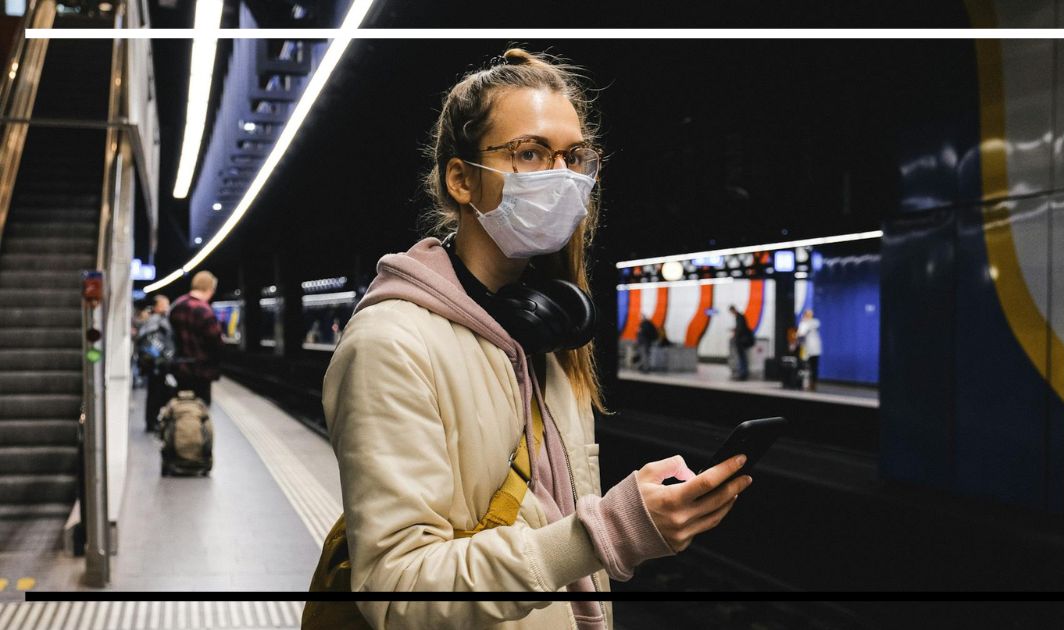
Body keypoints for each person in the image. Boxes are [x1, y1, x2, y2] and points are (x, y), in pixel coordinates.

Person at [311, 49, 752, 629]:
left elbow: (556, 534)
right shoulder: (392, 346)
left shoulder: (550, 333)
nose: (562, 175)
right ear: (461, 179)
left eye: (574, 156)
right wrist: (607, 530)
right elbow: (400, 592)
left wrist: (637, 525)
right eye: (530, 153)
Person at [168, 271, 222, 405]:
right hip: (201, 372)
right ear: (209, 288)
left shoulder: (176, 305)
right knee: (200, 410)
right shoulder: (205, 310)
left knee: (180, 407)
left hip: (178, 369)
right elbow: (216, 343)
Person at [136, 295, 175, 431]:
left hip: (154, 364)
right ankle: (153, 423)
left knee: (154, 394)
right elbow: (158, 343)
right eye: (165, 304)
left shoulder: (151, 321)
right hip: (157, 365)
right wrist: (164, 359)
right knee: (157, 394)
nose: (167, 307)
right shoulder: (157, 322)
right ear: (157, 306)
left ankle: (151, 422)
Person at [797, 308, 823, 390]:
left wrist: (803, 322)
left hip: (810, 349)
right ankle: (809, 383)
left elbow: (800, 334)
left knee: (810, 367)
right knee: (811, 367)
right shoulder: (811, 323)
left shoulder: (809, 323)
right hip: (809, 349)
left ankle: (811, 384)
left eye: (810, 314)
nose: (809, 316)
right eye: (808, 314)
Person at [728, 305, 753, 380]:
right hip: (741, 340)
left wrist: (735, 333)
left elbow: (740, 329)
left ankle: (743, 373)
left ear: (733, 310)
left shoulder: (739, 317)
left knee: (742, 357)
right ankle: (742, 372)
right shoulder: (740, 317)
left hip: (741, 341)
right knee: (742, 357)